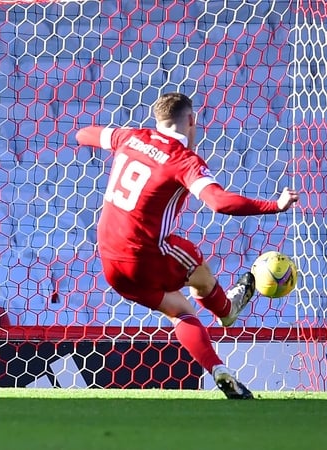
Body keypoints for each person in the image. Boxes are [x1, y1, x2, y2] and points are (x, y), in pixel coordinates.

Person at [75, 92, 299, 399]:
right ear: (192, 120)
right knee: (194, 262)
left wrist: (107, 138)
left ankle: (219, 368)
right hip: (143, 255)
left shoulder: (130, 137)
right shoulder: (183, 160)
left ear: (157, 119)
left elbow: (82, 133)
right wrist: (275, 205)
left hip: (109, 260)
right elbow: (219, 203)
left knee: (180, 310)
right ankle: (227, 311)